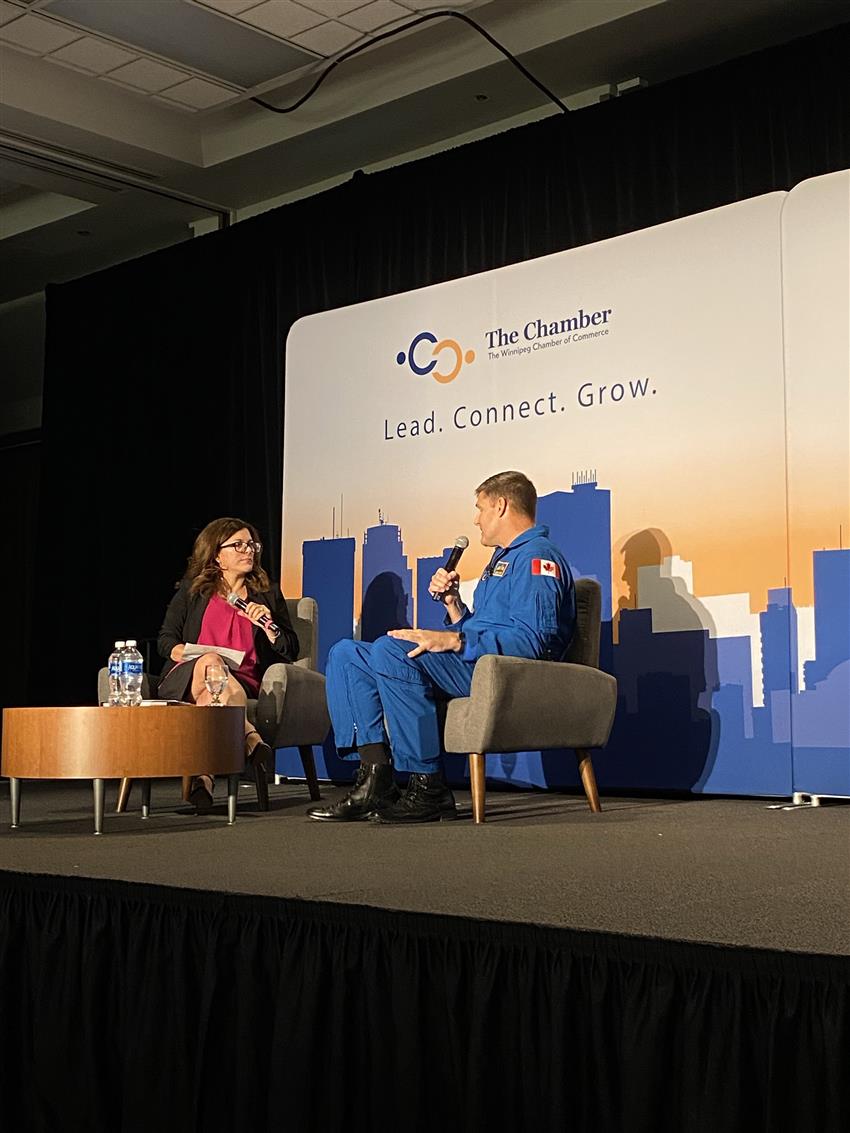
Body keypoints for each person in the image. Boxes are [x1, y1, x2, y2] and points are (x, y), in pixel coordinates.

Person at [307, 471, 576, 825]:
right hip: (477, 660)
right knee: (346, 654)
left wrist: (456, 640)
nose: (475, 518)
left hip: (504, 673)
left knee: (391, 649)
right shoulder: (502, 558)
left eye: (480, 508)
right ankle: (376, 777)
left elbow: (534, 642)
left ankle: (429, 786)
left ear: (501, 505)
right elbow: (485, 627)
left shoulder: (537, 558)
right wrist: (453, 606)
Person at [157, 516, 299, 814]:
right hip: (188, 677)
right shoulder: (193, 591)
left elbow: (291, 649)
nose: (248, 551)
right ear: (216, 554)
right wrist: (188, 653)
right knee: (210, 661)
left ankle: (204, 779)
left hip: (240, 680)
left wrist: (268, 626)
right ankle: (249, 736)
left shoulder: (266, 594)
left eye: (251, 545)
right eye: (238, 545)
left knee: (215, 694)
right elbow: (165, 640)